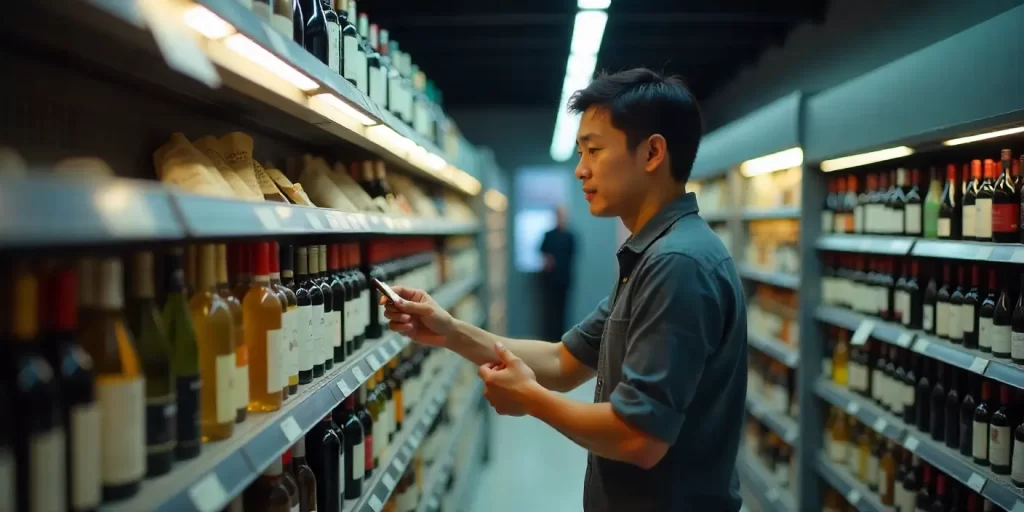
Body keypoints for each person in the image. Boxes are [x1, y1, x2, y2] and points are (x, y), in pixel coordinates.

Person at [381, 68, 747, 511]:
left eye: (593, 150)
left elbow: (640, 437)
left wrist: (531, 400)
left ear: (652, 152)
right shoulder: (651, 255)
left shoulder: (677, 263)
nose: (580, 170)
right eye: (580, 152)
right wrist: (448, 331)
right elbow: (562, 361)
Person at [539, 206, 576, 342]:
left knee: (562, 312)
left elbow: (572, 257)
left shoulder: (570, 236)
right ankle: (548, 339)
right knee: (548, 312)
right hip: (549, 281)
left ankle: (560, 340)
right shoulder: (548, 235)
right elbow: (542, 253)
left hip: (564, 281)